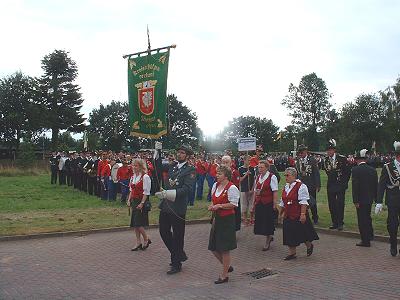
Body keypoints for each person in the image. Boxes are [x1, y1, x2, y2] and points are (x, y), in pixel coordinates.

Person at [155, 145, 196, 275]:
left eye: (182, 152)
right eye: (178, 152)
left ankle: (176, 263)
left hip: (178, 207)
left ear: (188, 156)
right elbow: (157, 167)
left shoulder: (190, 170)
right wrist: (158, 151)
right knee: (163, 231)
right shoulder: (172, 166)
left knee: (178, 236)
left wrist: (168, 193)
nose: (179, 154)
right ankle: (179, 254)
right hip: (166, 205)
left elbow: (187, 189)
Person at [279, 167, 319, 260]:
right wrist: (280, 213)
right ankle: (292, 253)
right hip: (288, 214)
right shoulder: (286, 186)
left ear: (293, 175)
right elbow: (283, 201)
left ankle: (309, 245)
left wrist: (302, 214)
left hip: (298, 213)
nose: (286, 177)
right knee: (289, 233)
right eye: (285, 175)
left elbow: (304, 201)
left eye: (287, 175)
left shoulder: (301, 186)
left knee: (303, 232)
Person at [208, 165, 240, 284]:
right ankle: (227, 266)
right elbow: (213, 199)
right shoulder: (215, 185)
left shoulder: (232, 187)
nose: (216, 175)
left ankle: (224, 275)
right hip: (217, 219)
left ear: (226, 176)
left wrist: (220, 206)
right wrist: (212, 205)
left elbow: (234, 204)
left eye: (219, 174)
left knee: (225, 249)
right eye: (216, 173)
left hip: (227, 220)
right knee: (213, 247)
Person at [377, 141, 400, 256]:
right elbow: (381, 185)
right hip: (393, 200)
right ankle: (393, 244)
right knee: (392, 224)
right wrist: (379, 201)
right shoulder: (388, 167)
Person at [351, 149, 378, 247]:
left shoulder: (355, 170)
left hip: (360, 199)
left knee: (362, 220)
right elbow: (376, 185)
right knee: (367, 217)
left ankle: (365, 240)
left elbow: (355, 186)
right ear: (365, 159)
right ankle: (370, 235)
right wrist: (376, 198)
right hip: (369, 198)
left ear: (357, 160)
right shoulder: (373, 170)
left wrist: (356, 200)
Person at [324, 139, 351, 231]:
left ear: (334, 150)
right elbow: (328, 172)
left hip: (340, 184)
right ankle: (334, 222)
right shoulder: (326, 160)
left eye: (330, 150)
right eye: (328, 150)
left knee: (340, 204)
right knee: (332, 204)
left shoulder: (342, 158)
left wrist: (344, 183)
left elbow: (347, 172)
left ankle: (340, 222)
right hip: (331, 185)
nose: (329, 152)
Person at [252, 160, 279, 251]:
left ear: (267, 168)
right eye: (259, 167)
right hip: (259, 202)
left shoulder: (272, 177)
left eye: (262, 167)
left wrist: (275, 204)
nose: (260, 169)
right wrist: (253, 203)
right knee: (261, 221)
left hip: (268, 202)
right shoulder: (258, 177)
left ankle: (268, 240)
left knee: (268, 222)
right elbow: (255, 191)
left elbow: (275, 191)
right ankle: (269, 237)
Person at [127, 158, 152, 251]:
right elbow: (131, 190)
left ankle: (146, 238)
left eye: (136, 165)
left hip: (141, 201)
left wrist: (142, 203)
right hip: (134, 200)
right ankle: (138, 242)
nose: (134, 167)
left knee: (138, 223)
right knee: (135, 223)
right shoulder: (133, 177)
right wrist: (129, 200)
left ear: (141, 167)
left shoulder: (145, 177)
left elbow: (146, 192)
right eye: (133, 165)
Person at [295, 144, 321, 224]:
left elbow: (316, 173)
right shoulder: (298, 160)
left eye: (302, 152)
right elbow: (297, 173)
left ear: (305, 151)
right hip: (301, 184)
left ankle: (315, 217)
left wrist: (318, 184)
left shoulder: (312, 160)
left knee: (312, 202)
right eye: (299, 152)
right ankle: (304, 216)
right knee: (302, 201)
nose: (300, 154)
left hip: (311, 184)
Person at [239, 155, 256, 225]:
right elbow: (240, 180)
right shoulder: (240, 169)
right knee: (244, 205)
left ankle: (252, 218)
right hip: (244, 189)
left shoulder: (252, 168)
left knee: (252, 206)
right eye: (248, 160)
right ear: (244, 160)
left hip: (251, 190)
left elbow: (255, 179)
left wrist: (252, 189)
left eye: (250, 160)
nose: (249, 162)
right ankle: (245, 219)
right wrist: (246, 174)